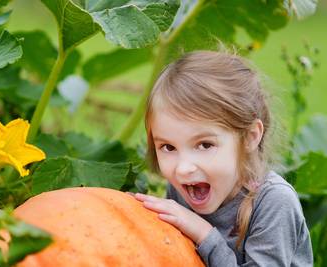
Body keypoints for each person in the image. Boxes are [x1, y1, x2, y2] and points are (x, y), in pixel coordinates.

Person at [133, 51, 313, 266]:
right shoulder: (183, 188)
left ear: (249, 137)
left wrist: (204, 234)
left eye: (204, 145)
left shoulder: (273, 203)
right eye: (168, 147)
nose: (183, 168)